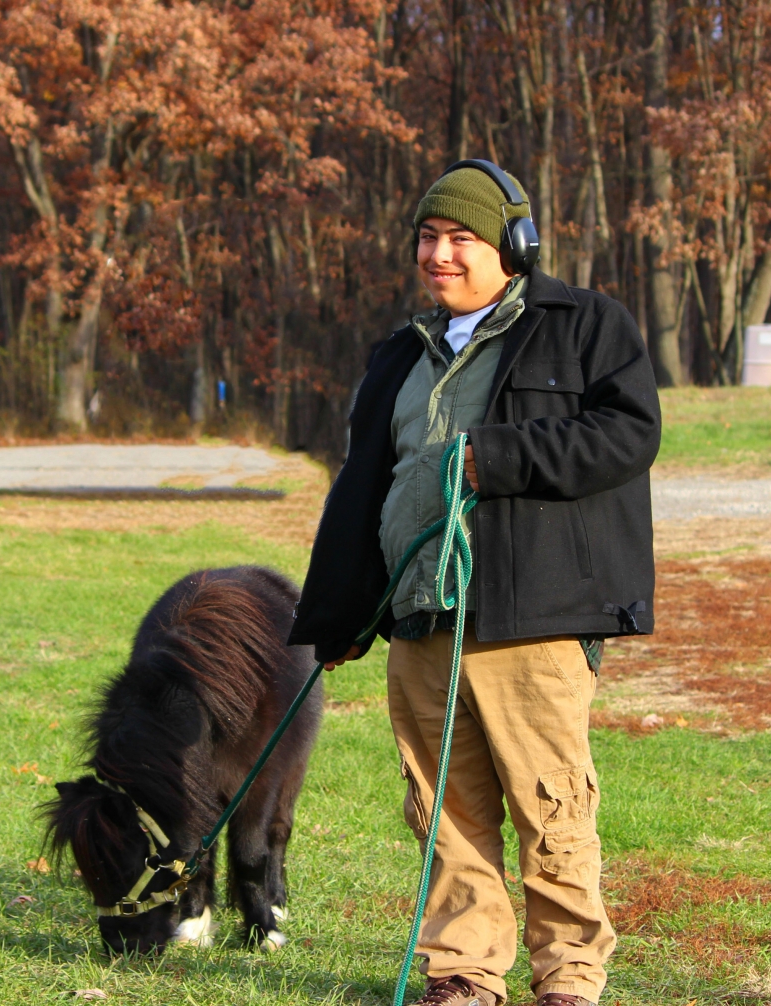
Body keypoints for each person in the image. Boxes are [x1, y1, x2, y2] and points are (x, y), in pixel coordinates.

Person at [288, 161, 661, 1006]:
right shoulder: (401, 355)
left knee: (549, 806)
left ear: (513, 247)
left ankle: (568, 979)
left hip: (529, 617)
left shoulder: (584, 325)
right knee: (443, 811)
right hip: (423, 619)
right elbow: (363, 489)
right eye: (429, 237)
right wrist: (341, 613)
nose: (440, 255)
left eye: (461, 239)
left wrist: (501, 458)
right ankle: (463, 975)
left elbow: (628, 435)